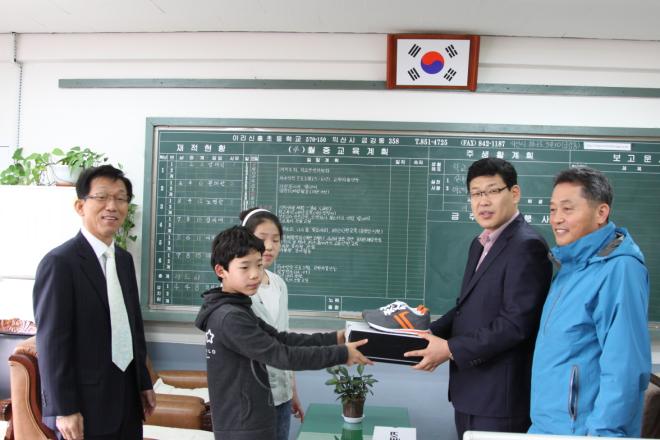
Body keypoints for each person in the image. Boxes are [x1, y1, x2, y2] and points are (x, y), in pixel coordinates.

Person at [405, 157, 552, 439]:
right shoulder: (480, 243)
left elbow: (515, 325)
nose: (483, 201)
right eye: (476, 193)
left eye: (493, 191)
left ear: (515, 193)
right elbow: (466, 307)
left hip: (499, 398)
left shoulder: (527, 245)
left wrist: (450, 349)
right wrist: (427, 332)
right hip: (470, 390)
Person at [194, 225, 372, 440]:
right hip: (243, 426)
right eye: (245, 267)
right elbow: (281, 355)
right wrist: (342, 354)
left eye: (259, 265)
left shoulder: (236, 308)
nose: (255, 274)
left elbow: (281, 338)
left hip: (247, 420)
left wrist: (334, 338)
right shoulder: (230, 317)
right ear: (221, 271)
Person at [33, 165, 155, 440]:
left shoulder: (123, 260)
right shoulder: (60, 263)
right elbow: (52, 342)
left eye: (120, 198)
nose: (112, 206)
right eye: (101, 197)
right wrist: (64, 409)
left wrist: (143, 382)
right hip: (84, 404)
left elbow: (133, 327)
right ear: (80, 206)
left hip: (127, 399)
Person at [529, 167, 651, 437]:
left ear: (601, 212)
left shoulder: (620, 269)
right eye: (552, 209)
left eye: (567, 209)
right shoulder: (570, 266)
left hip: (584, 433)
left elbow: (625, 369)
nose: (557, 219)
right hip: (548, 427)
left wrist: (602, 435)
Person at [239, 207, 303, 440]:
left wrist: (292, 389)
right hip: (251, 397)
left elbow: (285, 338)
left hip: (282, 394)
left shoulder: (279, 284)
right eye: (262, 238)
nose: (269, 246)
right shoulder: (238, 285)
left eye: (276, 240)